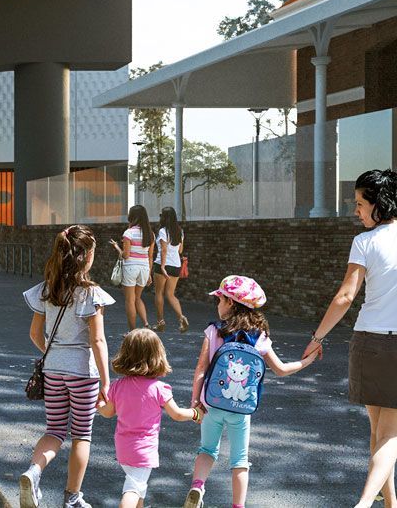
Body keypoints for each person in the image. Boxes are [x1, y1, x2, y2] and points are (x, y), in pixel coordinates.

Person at [182, 275, 316, 508]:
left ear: (231, 303)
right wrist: (309, 359)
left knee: (207, 450)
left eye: (220, 300)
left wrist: (196, 401)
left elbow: (201, 369)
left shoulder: (214, 330)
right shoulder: (260, 337)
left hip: (211, 404)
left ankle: (197, 487)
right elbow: (282, 370)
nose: (218, 304)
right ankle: (238, 506)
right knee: (240, 461)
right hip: (241, 409)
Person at [306, 168, 397, 508]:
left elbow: (345, 297)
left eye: (360, 203)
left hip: (369, 343)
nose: (356, 211)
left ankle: (376, 503)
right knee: (387, 434)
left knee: (380, 432)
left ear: (380, 204)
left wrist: (318, 337)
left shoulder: (364, 242)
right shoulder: (365, 238)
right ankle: (375, 503)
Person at [20, 225, 113, 508]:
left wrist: (53, 352)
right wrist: (106, 381)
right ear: (86, 256)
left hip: (53, 370)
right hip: (83, 373)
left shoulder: (48, 289)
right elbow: (97, 340)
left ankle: (33, 473)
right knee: (81, 435)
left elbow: (35, 335)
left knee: (55, 431)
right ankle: (72, 497)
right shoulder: (90, 294)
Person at [97, 328, 199, 508]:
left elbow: (107, 412)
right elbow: (176, 414)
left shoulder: (118, 386)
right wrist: (196, 413)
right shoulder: (159, 388)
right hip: (144, 449)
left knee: (138, 486)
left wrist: (98, 405)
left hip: (123, 447)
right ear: (156, 356)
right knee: (133, 489)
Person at [110, 205, 153, 331]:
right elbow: (150, 256)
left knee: (130, 300)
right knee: (138, 297)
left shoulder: (128, 233)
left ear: (132, 216)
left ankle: (132, 331)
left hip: (131, 268)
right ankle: (146, 323)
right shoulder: (150, 234)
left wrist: (117, 247)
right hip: (144, 269)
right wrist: (149, 274)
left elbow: (126, 255)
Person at [152, 207, 187, 332]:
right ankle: (181, 318)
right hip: (176, 265)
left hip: (163, 265)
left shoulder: (163, 231)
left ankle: (160, 322)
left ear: (164, 217)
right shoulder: (179, 231)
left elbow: (164, 250)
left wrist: (162, 266)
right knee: (171, 295)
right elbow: (180, 250)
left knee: (159, 293)